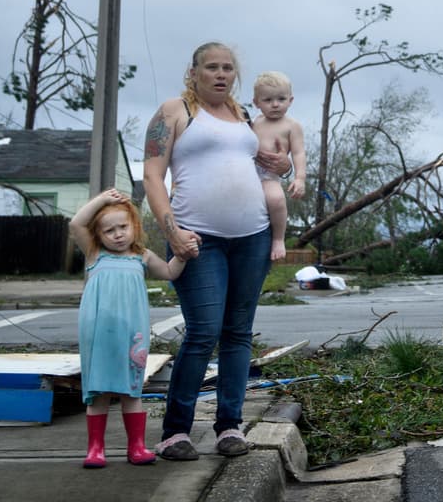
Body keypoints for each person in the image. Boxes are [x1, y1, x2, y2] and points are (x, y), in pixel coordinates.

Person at [143, 42, 289, 461]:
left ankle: (230, 425)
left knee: (238, 333)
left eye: (228, 68)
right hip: (198, 241)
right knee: (203, 331)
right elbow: (153, 176)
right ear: (195, 72)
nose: (221, 74)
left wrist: (285, 168)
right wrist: (171, 232)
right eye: (212, 67)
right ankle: (175, 432)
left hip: (253, 236)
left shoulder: (244, 116)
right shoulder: (175, 112)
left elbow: (265, 166)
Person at [69, 188, 189, 469]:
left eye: (123, 227)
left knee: (131, 390)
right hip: (97, 333)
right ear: (98, 235)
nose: (118, 234)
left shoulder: (142, 256)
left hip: (131, 334)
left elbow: (170, 272)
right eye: (109, 230)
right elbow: (76, 223)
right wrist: (102, 200)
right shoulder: (94, 254)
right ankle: (95, 449)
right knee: (97, 391)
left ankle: (136, 446)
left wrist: (183, 255)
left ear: (134, 226)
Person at [251, 71, 306, 262]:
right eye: (268, 100)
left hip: (269, 175)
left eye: (281, 99)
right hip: (247, 173)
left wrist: (299, 178)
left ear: (290, 100)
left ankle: (278, 239)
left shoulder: (292, 126)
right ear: (256, 102)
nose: (275, 104)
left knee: (276, 199)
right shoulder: (255, 122)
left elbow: (298, 152)